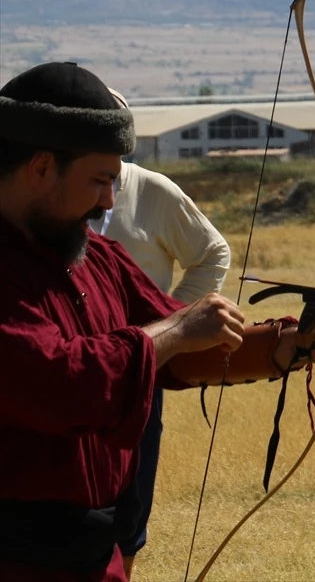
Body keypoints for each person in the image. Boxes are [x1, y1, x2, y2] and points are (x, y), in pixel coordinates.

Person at [0, 62, 315, 582]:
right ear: (41, 167)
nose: (109, 201)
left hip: (92, 553)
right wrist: (173, 333)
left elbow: (184, 353)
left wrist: (304, 341)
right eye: (100, 180)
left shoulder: (100, 258)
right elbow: (61, 382)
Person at [87, 90, 233, 580]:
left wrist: (172, 324)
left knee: (129, 509)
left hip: (140, 367)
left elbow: (211, 253)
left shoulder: (152, 190)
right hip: (66, 366)